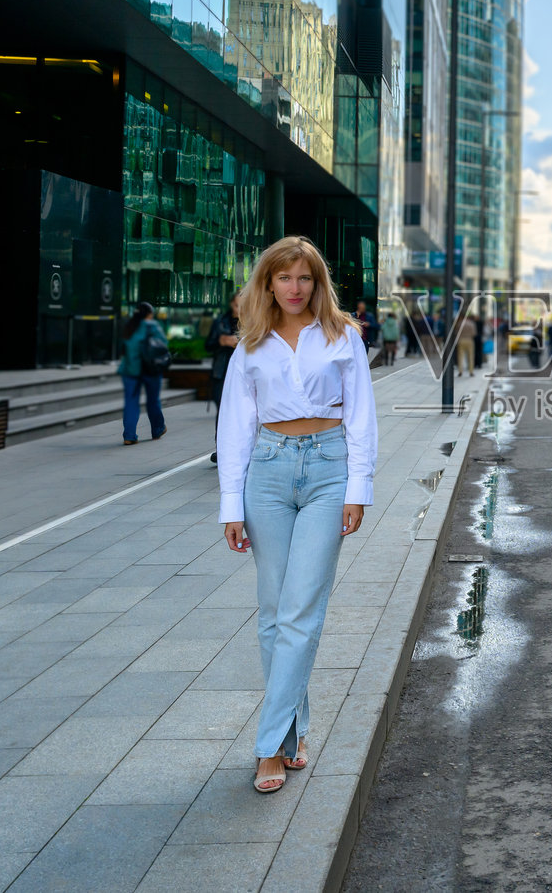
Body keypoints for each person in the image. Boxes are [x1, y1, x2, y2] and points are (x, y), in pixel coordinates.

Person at [216, 236, 378, 795]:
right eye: (284, 277)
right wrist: (230, 505)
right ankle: (293, 733)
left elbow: (361, 417)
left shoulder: (342, 336)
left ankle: (268, 746)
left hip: (329, 470)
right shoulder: (250, 345)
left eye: (304, 277)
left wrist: (358, 489)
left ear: (317, 283)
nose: (294, 287)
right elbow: (235, 428)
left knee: (300, 610)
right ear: (267, 283)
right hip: (267, 472)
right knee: (273, 610)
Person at [118, 302, 168, 445]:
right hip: (150, 369)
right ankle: (157, 429)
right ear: (149, 314)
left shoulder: (129, 326)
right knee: (153, 401)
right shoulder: (152, 326)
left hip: (129, 370)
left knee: (131, 402)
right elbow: (163, 344)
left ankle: (129, 436)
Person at [205, 291, 242, 461]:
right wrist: (222, 341)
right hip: (222, 372)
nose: (239, 309)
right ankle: (221, 449)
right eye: (237, 305)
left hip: (244, 375)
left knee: (244, 413)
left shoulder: (255, 322)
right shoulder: (221, 322)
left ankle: (242, 448)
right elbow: (208, 345)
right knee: (223, 412)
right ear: (231, 304)